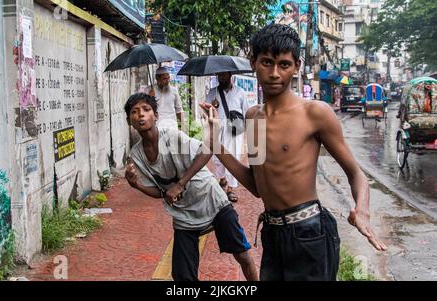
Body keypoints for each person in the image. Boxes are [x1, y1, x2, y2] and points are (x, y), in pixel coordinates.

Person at [200, 24, 387, 281]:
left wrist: (362, 210)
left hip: (309, 234)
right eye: (266, 62)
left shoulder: (315, 113)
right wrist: (216, 146)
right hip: (272, 233)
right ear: (253, 62)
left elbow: (356, 173)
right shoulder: (253, 117)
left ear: (296, 66)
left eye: (284, 65)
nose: (275, 73)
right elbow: (258, 186)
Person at [124, 93, 258, 281]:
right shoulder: (136, 155)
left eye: (146, 110)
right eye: (134, 112)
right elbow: (161, 192)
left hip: (212, 200)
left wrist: (180, 184)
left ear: (156, 115)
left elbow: (207, 151)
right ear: (130, 120)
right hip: (184, 216)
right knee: (182, 275)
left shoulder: (171, 136)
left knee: (242, 254)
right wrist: (136, 184)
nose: (141, 115)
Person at [205, 72, 249, 203]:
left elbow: (246, 111)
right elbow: (205, 110)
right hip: (217, 127)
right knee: (217, 156)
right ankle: (222, 178)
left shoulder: (240, 92)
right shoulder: (213, 92)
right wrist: (211, 107)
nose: (221, 78)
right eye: (219, 76)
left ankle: (231, 188)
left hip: (234, 128)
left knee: (233, 156)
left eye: (224, 75)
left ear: (230, 75)